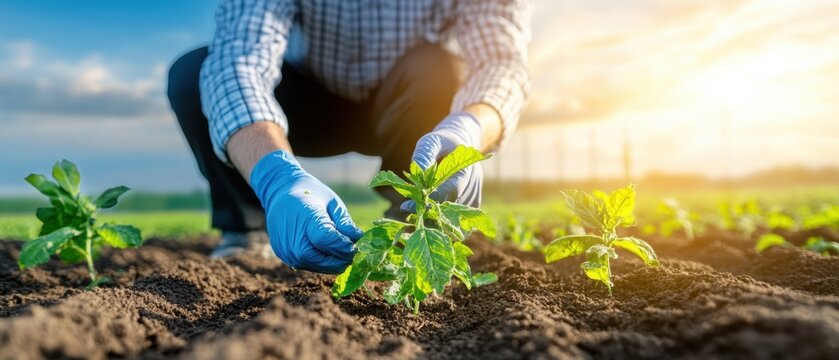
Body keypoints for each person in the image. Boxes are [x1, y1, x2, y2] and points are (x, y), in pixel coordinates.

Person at [167, 0, 532, 273]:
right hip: (305, 105)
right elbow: (238, 60)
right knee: (194, 75)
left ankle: (412, 226)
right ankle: (247, 229)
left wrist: (468, 129)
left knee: (440, 69)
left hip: (411, 111)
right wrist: (276, 177)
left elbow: (501, 61)